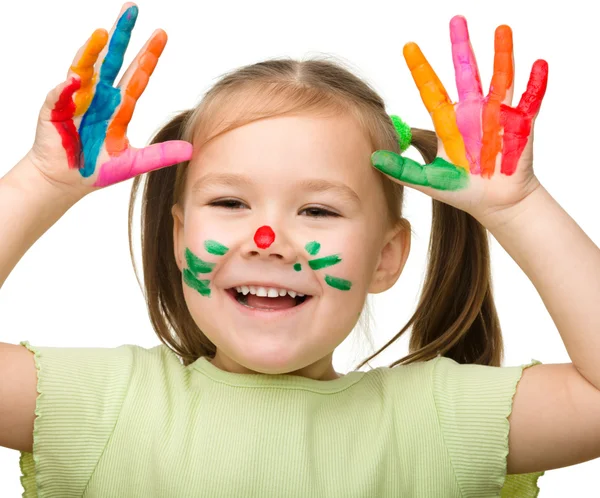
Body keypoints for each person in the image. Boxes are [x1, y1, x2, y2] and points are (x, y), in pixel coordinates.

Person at [1, 2, 599, 496]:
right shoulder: (103, 405)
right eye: (232, 203)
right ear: (180, 236)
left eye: (318, 210)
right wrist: (42, 180)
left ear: (386, 257)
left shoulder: (439, 421)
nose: (270, 241)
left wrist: (516, 207)